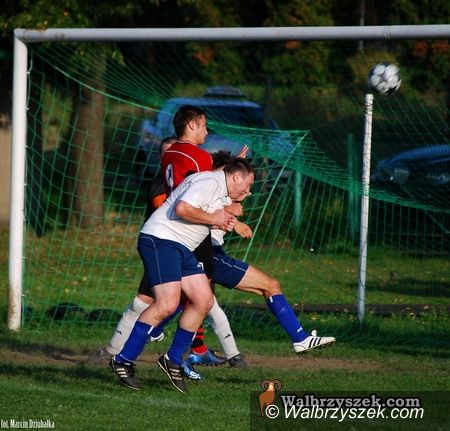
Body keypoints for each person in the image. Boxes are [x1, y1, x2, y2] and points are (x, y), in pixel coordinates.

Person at [110, 158, 255, 393]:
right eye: (247, 186)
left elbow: (200, 213)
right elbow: (182, 209)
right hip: (161, 241)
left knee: (203, 301)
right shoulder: (211, 182)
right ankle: (122, 360)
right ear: (236, 177)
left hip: (182, 247)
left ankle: (173, 359)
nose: (248, 192)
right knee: (166, 304)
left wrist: (221, 221)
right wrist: (215, 218)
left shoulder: (217, 186)